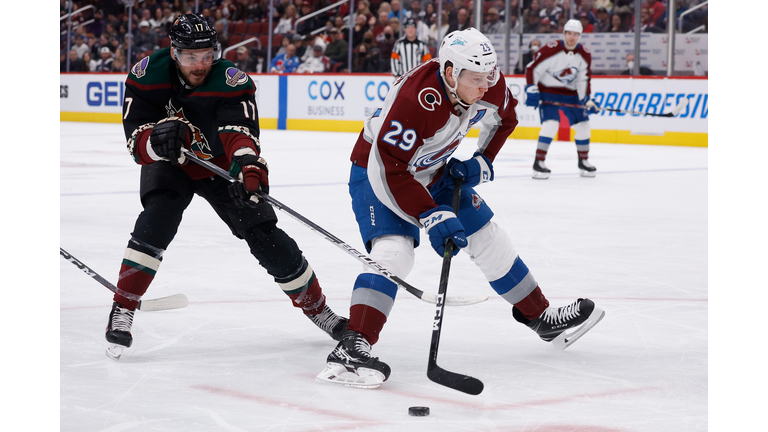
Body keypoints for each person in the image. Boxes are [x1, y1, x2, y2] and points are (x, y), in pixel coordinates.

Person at [316, 27, 604, 389]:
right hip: (378, 171)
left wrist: (481, 162)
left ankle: (540, 317)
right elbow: (389, 168)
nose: (486, 86)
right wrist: (431, 214)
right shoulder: (414, 100)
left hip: (433, 169)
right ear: (451, 72)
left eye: (489, 76)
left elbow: (507, 118)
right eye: (476, 78)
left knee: (488, 236)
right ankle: (352, 345)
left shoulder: (486, 81)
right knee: (394, 251)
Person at [106, 13, 348, 361]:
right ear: (173, 52)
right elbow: (135, 142)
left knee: (264, 233)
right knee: (158, 217)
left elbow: (239, 133)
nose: (200, 64)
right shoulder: (147, 76)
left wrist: (248, 166)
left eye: (207, 55)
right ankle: (123, 306)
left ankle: (320, 311)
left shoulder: (231, 80)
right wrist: (159, 139)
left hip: (218, 167)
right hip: (171, 163)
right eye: (191, 56)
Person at [525, 19, 599, 179]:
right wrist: (531, 88)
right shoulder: (551, 49)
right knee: (551, 125)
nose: (572, 37)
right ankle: (539, 163)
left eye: (576, 34)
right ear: (564, 34)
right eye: (569, 33)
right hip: (548, 92)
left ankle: (584, 162)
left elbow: (583, 78)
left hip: (571, 95)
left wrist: (586, 99)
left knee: (584, 125)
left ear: (580, 35)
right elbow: (532, 68)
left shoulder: (584, 53)